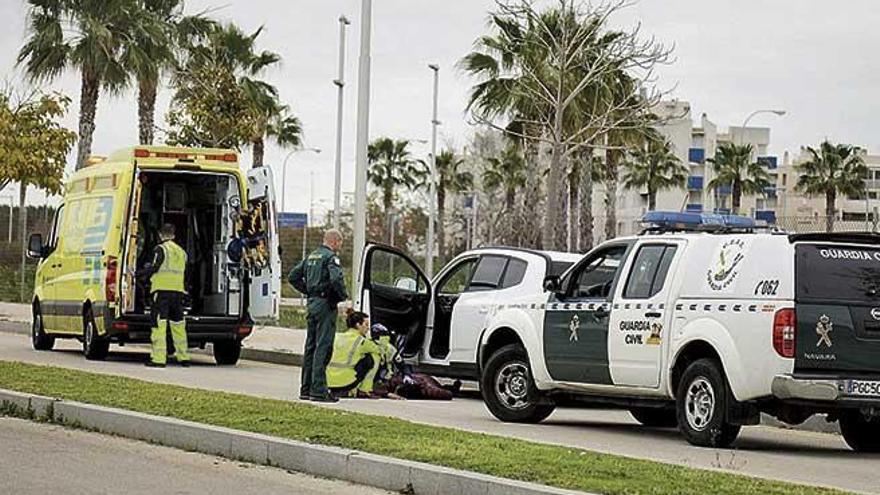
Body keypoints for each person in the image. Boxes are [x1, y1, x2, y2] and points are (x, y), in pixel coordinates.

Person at [289, 229, 348, 402]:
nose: (339, 247)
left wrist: (308, 291)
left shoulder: (312, 256)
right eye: (340, 243)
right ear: (336, 241)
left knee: (310, 347)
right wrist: (341, 296)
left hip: (312, 304)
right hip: (325, 305)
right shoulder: (331, 258)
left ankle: (305, 388)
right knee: (323, 346)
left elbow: (293, 276)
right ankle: (319, 390)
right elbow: (336, 279)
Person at [139, 223, 190, 368]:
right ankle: (183, 357)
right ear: (173, 235)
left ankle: (158, 359)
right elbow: (186, 272)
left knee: (159, 325)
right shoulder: (182, 252)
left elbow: (155, 267)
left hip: (161, 292)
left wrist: (139, 274)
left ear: (160, 235)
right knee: (178, 325)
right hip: (178, 292)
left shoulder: (160, 249)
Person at [327, 311, 383, 398]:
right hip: (346, 381)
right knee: (375, 356)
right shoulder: (362, 341)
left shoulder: (337, 336)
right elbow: (380, 350)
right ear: (358, 325)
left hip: (328, 380)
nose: (368, 328)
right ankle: (364, 390)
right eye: (366, 324)